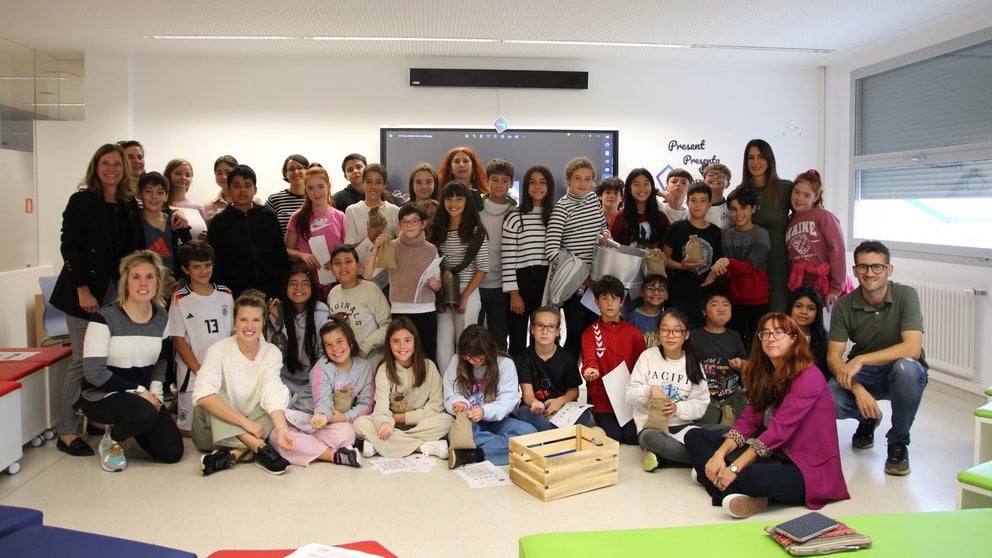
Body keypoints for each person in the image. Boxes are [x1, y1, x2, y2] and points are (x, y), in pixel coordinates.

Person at [685, 313, 849, 518]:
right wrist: (719, 455)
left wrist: (734, 468)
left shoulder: (809, 376)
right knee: (694, 436)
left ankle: (716, 482)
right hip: (774, 455)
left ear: (794, 339)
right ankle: (729, 488)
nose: (771, 338)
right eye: (766, 333)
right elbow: (748, 421)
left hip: (804, 467)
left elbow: (777, 433)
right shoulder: (765, 373)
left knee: (752, 476)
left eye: (779, 332)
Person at [51, 143, 143, 457]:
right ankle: (66, 431)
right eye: (105, 163)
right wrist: (81, 288)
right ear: (96, 167)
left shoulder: (129, 203)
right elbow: (69, 246)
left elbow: (135, 250)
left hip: (115, 293)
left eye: (117, 164)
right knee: (81, 360)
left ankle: (95, 417)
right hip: (83, 291)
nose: (112, 169)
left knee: (105, 359)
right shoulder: (82, 201)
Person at [827, 240, 928, 476]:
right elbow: (833, 357)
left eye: (876, 267)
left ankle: (898, 442)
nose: (869, 273)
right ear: (855, 271)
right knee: (830, 399)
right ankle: (869, 418)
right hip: (864, 375)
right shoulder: (843, 306)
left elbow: (912, 348)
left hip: (899, 369)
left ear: (888, 270)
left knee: (907, 370)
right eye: (862, 267)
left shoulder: (906, 295)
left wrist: (861, 359)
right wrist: (857, 388)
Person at [78, 250, 184, 472]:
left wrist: (155, 393)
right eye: (136, 277)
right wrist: (139, 391)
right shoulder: (104, 318)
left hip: (140, 398)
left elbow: (161, 362)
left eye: (150, 277)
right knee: (143, 412)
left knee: (172, 453)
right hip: (101, 395)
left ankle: (131, 426)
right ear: (126, 282)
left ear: (158, 281)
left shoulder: (162, 316)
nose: (143, 283)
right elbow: (94, 373)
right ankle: (113, 438)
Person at [192, 290, 294, 476]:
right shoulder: (218, 350)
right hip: (211, 432)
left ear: (264, 322)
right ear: (234, 322)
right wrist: (246, 424)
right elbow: (203, 395)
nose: (249, 326)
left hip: (251, 427)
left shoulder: (271, 352)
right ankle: (260, 448)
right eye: (243, 320)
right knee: (213, 394)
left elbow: (272, 392)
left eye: (255, 320)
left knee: (280, 395)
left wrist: (282, 430)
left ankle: (234, 454)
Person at [274, 317, 369, 468]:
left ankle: (307, 448)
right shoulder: (321, 369)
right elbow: (322, 401)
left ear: (350, 342)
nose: (335, 348)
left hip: (330, 424)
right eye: (328, 345)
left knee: (348, 433)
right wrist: (322, 416)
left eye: (339, 341)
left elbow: (366, 404)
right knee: (275, 437)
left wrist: (345, 417)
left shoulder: (365, 367)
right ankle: (334, 455)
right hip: (303, 418)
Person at [353, 318, 453, 458]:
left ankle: (381, 444)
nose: (402, 346)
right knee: (359, 423)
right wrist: (385, 423)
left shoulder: (429, 367)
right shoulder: (384, 370)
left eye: (407, 340)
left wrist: (403, 418)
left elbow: (436, 407)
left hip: (419, 424)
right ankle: (421, 447)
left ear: (415, 342)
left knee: (447, 421)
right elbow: (381, 407)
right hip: (390, 426)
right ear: (389, 345)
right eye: (396, 341)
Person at [442, 325, 537, 467]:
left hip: (497, 420)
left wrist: (485, 411)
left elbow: (508, 400)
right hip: (469, 421)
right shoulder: (457, 361)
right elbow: (451, 392)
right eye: (468, 357)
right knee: (455, 434)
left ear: (489, 351)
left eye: (478, 358)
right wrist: (459, 403)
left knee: (530, 432)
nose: (474, 362)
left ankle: (473, 454)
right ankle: (502, 446)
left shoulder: (505, 364)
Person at [627, 309, 710, 471]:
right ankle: (709, 459)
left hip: (684, 427)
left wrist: (677, 408)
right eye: (665, 330)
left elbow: (701, 404)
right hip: (654, 429)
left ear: (686, 335)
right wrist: (649, 390)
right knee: (650, 439)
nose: (670, 335)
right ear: (658, 333)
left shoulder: (693, 362)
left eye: (677, 330)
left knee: (725, 431)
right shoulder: (647, 357)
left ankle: (663, 457)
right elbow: (630, 395)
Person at [166, 240, 234, 433]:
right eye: (196, 267)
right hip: (193, 373)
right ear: (186, 269)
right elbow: (178, 341)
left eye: (207, 265)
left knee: (222, 422)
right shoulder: (180, 298)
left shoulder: (226, 294)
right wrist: (201, 371)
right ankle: (168, 415)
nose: (203, 271)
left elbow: (230, 333)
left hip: (221, 372)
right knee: (189, 430)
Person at [545, 157, 607, 360]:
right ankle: (567, 385)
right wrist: (583, 277)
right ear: (568, 181)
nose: (583, 183)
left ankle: (593, 389)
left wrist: (605, 236)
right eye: (577, 178)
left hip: (597, 281)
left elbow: (602, 228)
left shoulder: (594, 202)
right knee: (576, 339)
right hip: (576, 288)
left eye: (587, 179)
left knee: (596, 340)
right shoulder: (561, 208)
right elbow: (552, 251)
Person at [366, 203, 441, 361]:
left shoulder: (431, 249)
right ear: (399, 224)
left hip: (426, 310)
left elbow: (438, 282)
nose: (409, 225)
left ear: (423, 224)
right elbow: (368, 275)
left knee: (427, 356)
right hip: (400, 310)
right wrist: (375, 250)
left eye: (414, 221)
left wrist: (436, 284)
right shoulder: (391, 246)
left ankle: (427, 386)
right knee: (402, 357)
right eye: (405, 221)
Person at [581, 275, 647, 445]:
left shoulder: (634, 333)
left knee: (632, 437)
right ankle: (595, 426)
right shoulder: (590, 333)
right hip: (602, 402)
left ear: (622, 302)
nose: (610, 303)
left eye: (614, 298)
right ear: (596, 303)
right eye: (604, 298)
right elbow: (589, 360)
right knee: (614, 437)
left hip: (629, 402)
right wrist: (590, 371)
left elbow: (643, 365)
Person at [432, 181, 490, 371]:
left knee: (466, 343)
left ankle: (466, 384)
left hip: (468, 288)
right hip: (443, 290)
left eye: (459, 198)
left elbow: (482, 268)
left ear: (467, 202)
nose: (453, 203)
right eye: (449, 198)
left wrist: (464, 296)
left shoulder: (476, 231)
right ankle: (445, 386)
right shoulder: (437, 229)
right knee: (443, 344)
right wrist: (439, 293)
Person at [208, 164, 289, 299]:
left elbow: (280, 254)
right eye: (236, 185)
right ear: (228, 189)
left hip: (270, 290)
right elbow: (216, 262)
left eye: (247, 185)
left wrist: (282, 288)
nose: (242, 190)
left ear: (255, 189)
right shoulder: (219, 222)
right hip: (234, 293)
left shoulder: (268, 216)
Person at [502, 164, 555, 357]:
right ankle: (516, 384)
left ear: (549, 186)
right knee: (517, 339)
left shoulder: (555, 216)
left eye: (542, 182)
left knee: (543, 337)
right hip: (521, 281)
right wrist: (514, 293)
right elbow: (507, 258)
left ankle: (539, 384)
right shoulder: (515, 217)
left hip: (546, 280)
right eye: (532, 182)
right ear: (525, 187)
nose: (537, 187)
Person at [707, 187, 769, 348]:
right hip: (734, 299)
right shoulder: (727, 236)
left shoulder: (761, 234)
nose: (738, 213)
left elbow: (751, 266)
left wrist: (727, 262)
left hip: (758, 299)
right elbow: (729, 274)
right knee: (735, 343)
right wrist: (722, 270)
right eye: (733, 209)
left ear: (753, 208)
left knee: (759, 343)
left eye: (743, 208)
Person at [513, 306, 589, 432]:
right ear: (531, 329)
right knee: (523, 413)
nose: (545, 331)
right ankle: (560, 434)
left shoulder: (566, 358)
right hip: (536, 409)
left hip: (562, 407)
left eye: (551, 326)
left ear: (558, 332)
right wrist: (535, 403)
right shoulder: (524, 358)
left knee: (585, 412)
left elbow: (574, 391)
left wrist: (560, 401)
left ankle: (550, 434)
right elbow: (527, 395)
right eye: (540, 325)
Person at [738, 139, 792, 312]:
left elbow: (806, 213)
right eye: (750, 157)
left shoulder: (785, 188)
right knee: (753, 317)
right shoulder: (740, 192)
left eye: (761, 157)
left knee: (777, 313)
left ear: (769, 160)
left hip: (778, 261)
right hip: (750, 262)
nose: (755, 162)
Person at [786, 169, 852, 307]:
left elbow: (837, 251)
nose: (799, 198)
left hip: (826, 287)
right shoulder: (789, 221)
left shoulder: (823, 217)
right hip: (802, 289)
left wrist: (835, 289)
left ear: (815, 197)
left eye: (806, 195)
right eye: (796, 192)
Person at [663, 183, 723, 329]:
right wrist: (680, 266)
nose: (698, 205)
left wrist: (715, 273)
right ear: (687, 202)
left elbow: (719, 262)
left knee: (703, 339)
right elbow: (664, 259)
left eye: (703, 200)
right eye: (693, 200)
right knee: (680, 334)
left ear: (710, 204)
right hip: (680, 295)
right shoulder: (677, 228)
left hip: (707, 297)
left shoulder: (715, 232)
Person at [269, 267, 330, 395]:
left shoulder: (320, 310)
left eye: (305, 284)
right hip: (283, 379)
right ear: (286, 288)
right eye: (293, 284)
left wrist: (316, 379)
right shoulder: (276, 311)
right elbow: (275, 356)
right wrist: (279, 325)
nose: (298, 288)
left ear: (312, 288)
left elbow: (324, 352)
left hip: (314, 378)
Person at [285, 166, 346, 293]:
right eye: (310, 188)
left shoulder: (340, 216)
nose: (316, 192)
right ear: (305, 190)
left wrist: (336, 259)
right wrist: (303, 255)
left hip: (335, 280)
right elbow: (286, 251)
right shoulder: (298, 217)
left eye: (320, 186)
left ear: (328, 186)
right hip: (306, 282)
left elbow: (347, 249)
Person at [691, 291, 747, 425]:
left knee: (749, 415)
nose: (721, 308)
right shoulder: (694, 336)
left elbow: (746, 363)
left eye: (726, 305)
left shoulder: (734, 336)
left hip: (733, 395)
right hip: (705, 396)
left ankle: (728, 416)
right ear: (704, 311)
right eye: (715, 305)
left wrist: (740, 363)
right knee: (706, 420)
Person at [326, 246, 391, 362]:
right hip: (342, 356)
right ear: (331, 269)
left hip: (371, 355)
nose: (343, 267)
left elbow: (387, 325)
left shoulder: (371, 289)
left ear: (358, 265)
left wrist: (365, 347)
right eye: (337, 263)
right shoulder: (333, 292)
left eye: (348, 261)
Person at [477, 157, 515, 351]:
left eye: (504, 180)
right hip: (476, 282)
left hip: (502, 285)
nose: (499, 184)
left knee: (500, 337)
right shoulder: (476, 208)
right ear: (487, 180)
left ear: (510, 183)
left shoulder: (516, 211)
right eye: (495, 179)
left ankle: (500, 378)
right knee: (474, 336)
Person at [344, 163, 400, 284]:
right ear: (363, 183)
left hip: (388, 276)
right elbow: (349, 249)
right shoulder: (352, 210)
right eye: (368, 182)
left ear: (385, 184)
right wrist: (370, 237)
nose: (373, 187)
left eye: (378, 182)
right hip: (360, 274)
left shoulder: (394, 211)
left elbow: (403, 243)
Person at [137, 171, 192, 280]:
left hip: (176, 287)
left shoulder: (177, 222)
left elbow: (191, 255)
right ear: (140, 194)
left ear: (166, 196)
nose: (154, 197)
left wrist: (183, 281)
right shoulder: (134, 224)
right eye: (148, 191)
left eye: (160, 192)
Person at [608, 168, 670, 250]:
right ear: (629, 189)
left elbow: (669, 248)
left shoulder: (662, 218)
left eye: (646, 184)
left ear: (652, 187)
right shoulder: (620, 217)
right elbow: (611, 247)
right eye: (636, 184)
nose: (641, 188)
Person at [789, 287, 829, 381]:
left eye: (811, 308)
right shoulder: (779, 336)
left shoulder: (823, 340)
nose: (803, 312)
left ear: (817, 313)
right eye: (798, 306)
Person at [266, 154, 310, 235]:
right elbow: (265, 229)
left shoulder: (315, 198)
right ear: (285, 173)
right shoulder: (274, 200)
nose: (296, 172)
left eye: (300, 168)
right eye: (291, 169)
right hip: (282, 247)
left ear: (307, 170)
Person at [624, 274, 669, 349]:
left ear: (666, 295)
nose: (656, 293)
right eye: (650, 288)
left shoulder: (666, 318)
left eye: (661, 290)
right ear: (641, 291)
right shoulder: (632, 319)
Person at [164, 158, 207, 225]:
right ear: (168, 175)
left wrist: (205, 235)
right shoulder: (161, 204)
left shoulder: (198, 208)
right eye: (178, 174)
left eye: (187, 175)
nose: (183, 177)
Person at [702, 163, 733, 231]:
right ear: (704, 181)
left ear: (728, 184)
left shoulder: (732, 208)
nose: (715, 177)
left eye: (721, 175)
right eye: (711, 175)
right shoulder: (694, 205)